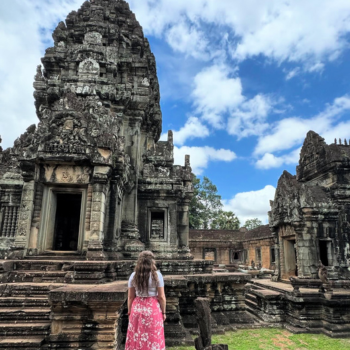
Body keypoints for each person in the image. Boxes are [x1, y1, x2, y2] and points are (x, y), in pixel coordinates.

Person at [125, 251, 166, 350]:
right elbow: (161, 297)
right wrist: (164, 312)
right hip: (152, 308)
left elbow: (130, 297)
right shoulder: (157, 276)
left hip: (137, 308)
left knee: (136, 336)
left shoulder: (133, 276)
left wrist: (130, 311)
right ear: (152, 262)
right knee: (153, 336)